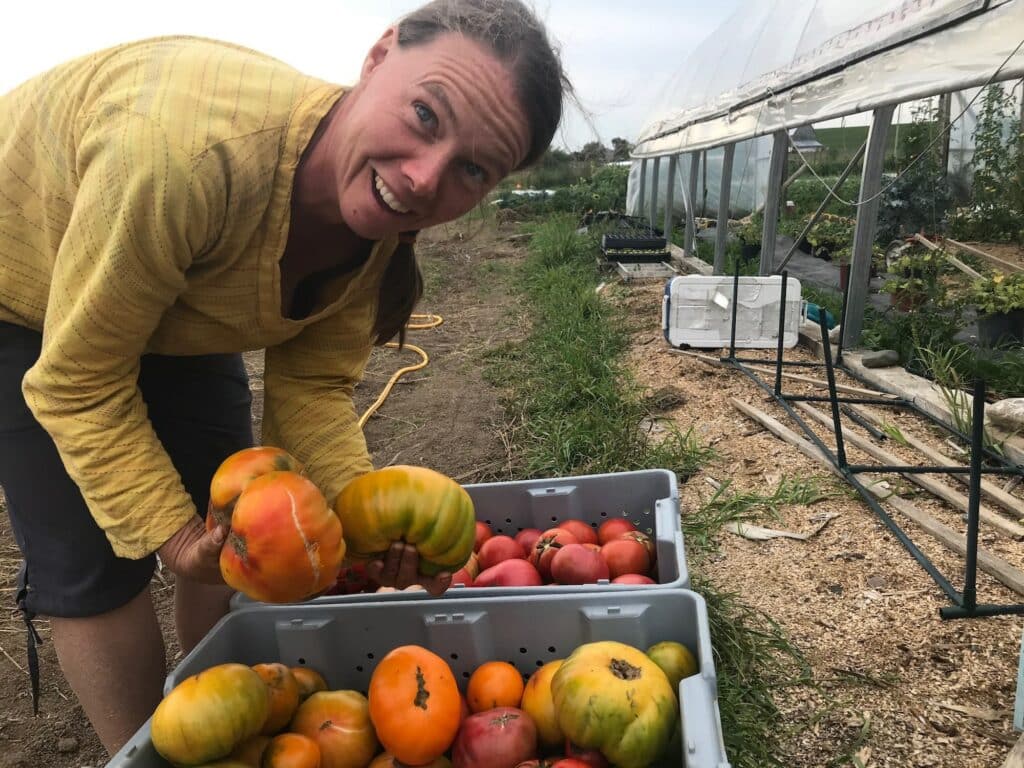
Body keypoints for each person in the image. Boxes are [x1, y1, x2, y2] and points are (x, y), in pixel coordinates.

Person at [0, 0, 569, 755]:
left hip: (181, 282)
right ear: (377, 57)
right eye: (426, 115)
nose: (424, 179)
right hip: (26, 290)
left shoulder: (371, 223)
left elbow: (311, 392)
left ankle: (235, 706)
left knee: (225, 506)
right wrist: (171, 537)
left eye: (471, 169)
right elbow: (77, 382)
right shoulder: (183, 158)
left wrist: (369, 528)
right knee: (94, 561)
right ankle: (142, 748)